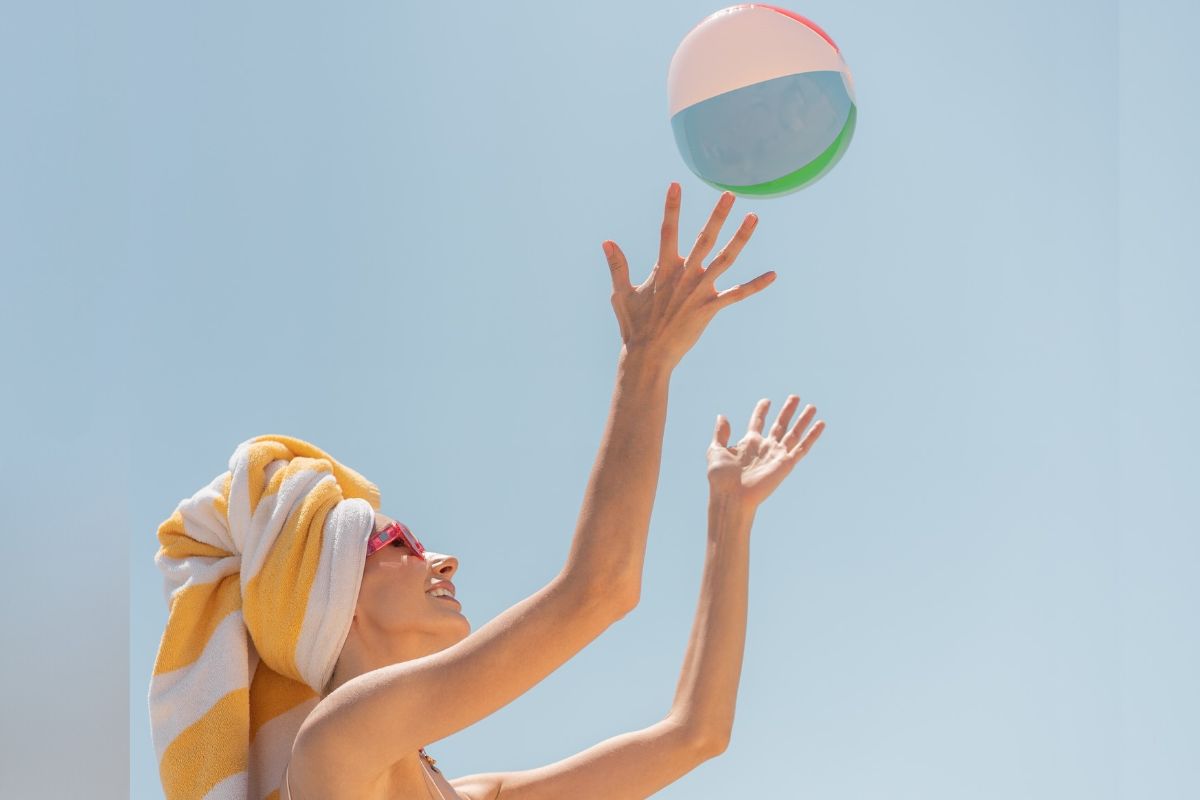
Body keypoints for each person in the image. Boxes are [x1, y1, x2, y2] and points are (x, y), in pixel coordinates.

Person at [281, 183, 827, 799]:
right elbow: (600, 590)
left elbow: (697, 734)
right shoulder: (333, 745)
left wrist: (732, 517)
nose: (442, 559)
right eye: (398, 541)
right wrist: (644, 358)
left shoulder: (465, 792)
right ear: (335, 596)